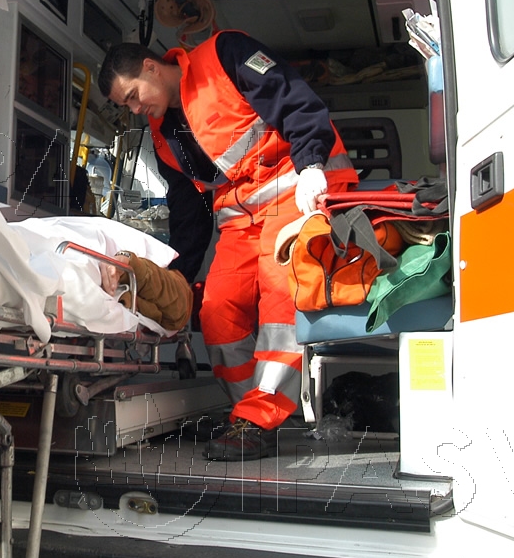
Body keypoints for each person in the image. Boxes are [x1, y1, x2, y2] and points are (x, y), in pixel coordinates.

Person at [98, 33, 357, 461]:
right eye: (126, 106)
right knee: (216, 311)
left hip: (295, 190)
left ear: (150, 67)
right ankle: (248, 416)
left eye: (132, 96)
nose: (135, 109)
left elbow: (290, 96)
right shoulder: (165, 139)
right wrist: (175, 277)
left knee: (280, 296)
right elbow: (189, 213)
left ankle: (261, 414)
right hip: (241, 220)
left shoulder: (224, 56)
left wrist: (312, 164)